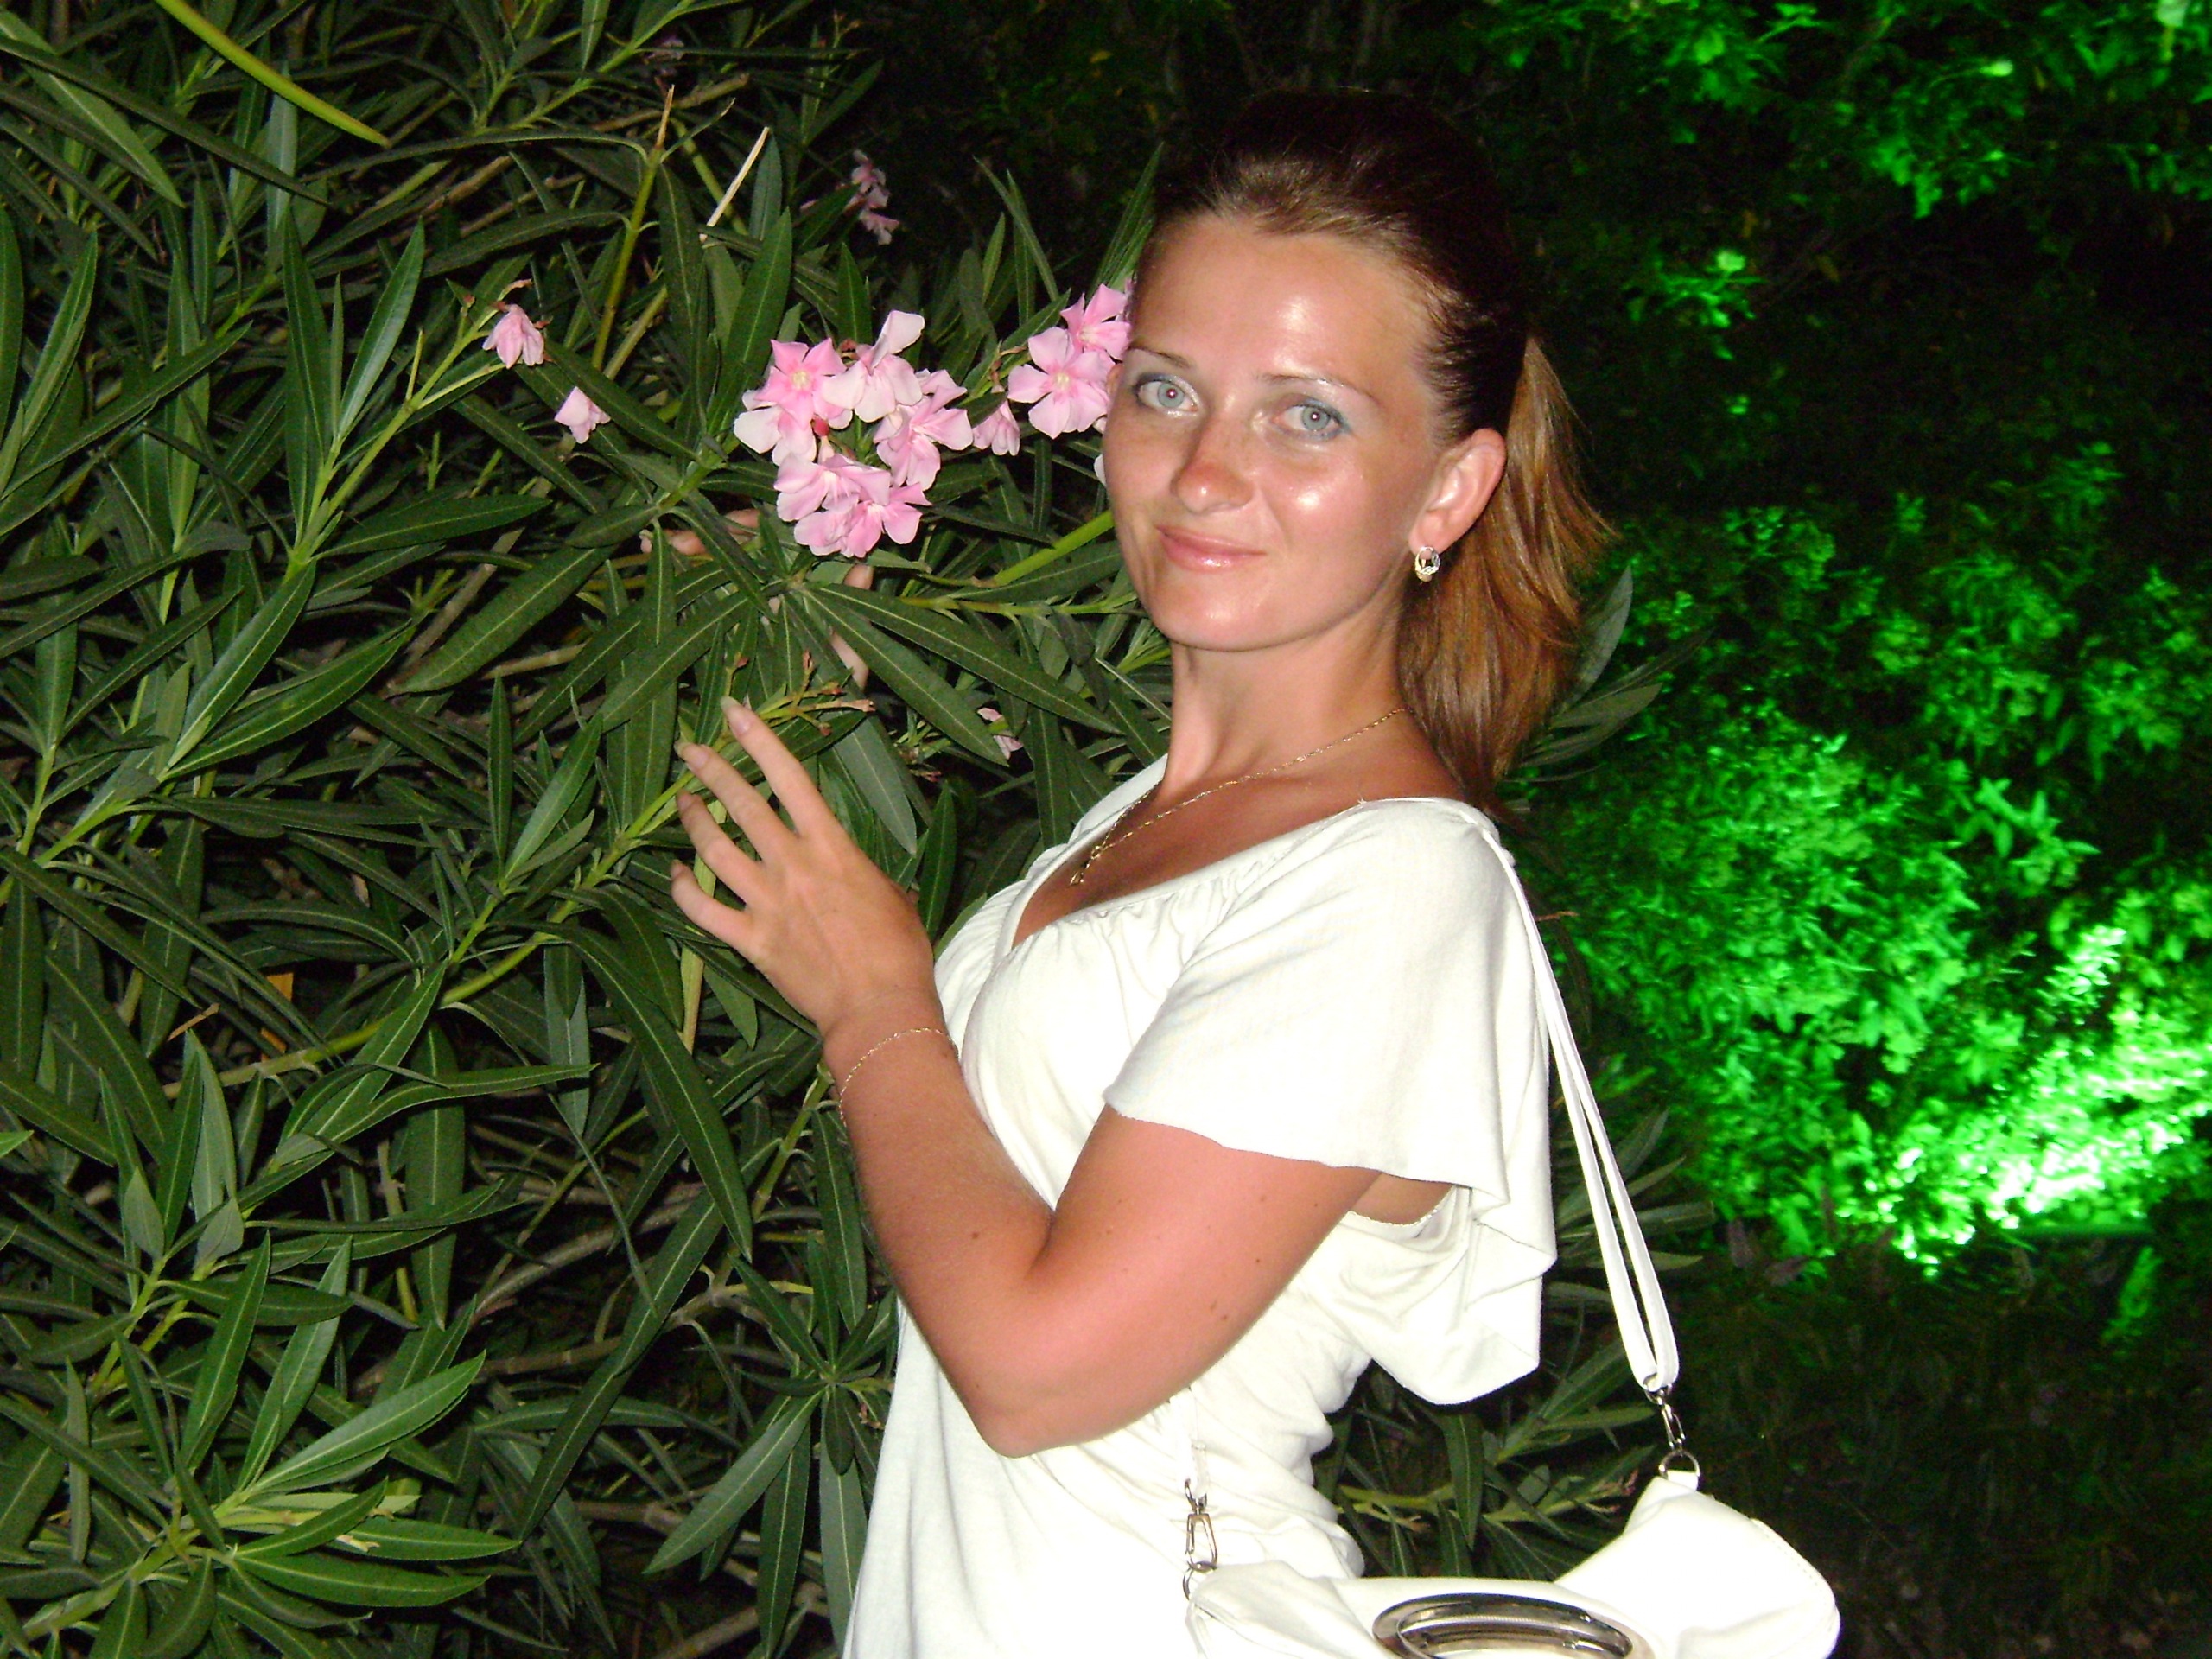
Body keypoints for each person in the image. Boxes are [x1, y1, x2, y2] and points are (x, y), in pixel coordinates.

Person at [668, 88, 1605, 1659]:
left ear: (1448, 490)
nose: (1205, 472)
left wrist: (875, 1002)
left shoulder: (1399, 882)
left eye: (1310, 417)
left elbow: (1038, 1369)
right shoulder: (1131, 828)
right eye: (1167, 388)